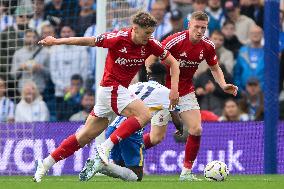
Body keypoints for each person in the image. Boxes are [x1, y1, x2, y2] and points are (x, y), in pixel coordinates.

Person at [33, 11, 179, 182]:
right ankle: (105, 146)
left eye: (151, 33)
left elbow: (174, 63)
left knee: (84, 136)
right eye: (146, 33)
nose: (149, 37)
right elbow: (88, 41)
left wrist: (174, 89)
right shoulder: (118, 38)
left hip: (113, 93)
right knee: (144, 115)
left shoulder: (151, 44)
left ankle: (45, 164)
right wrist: (56, 41)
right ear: (135, 29)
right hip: (112, 88)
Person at [146, 11, 238, 181]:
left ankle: (186, 173)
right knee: (156, 138)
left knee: (196, 129)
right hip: (164, 92)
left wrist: (223, 84)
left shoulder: (208, 46)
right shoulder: (174, 40)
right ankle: (129, 149)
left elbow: (215, 68)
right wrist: (153, 83)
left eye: (203, 28)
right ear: (189, 25)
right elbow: (150, 58)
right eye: (197, 26)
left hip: (186, 91)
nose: (200, 31)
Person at [79, 62, 182, 182]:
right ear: (164, 78)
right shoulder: (167, 92)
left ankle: (98, 165)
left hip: (113, 129)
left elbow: (110, 107)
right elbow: (175, 117)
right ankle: (101, 166)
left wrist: (90, 132)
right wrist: (180, 128)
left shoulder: (134, 86)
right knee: (136, 176)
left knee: (123, 169)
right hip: (131, 131)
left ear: (149, 76)